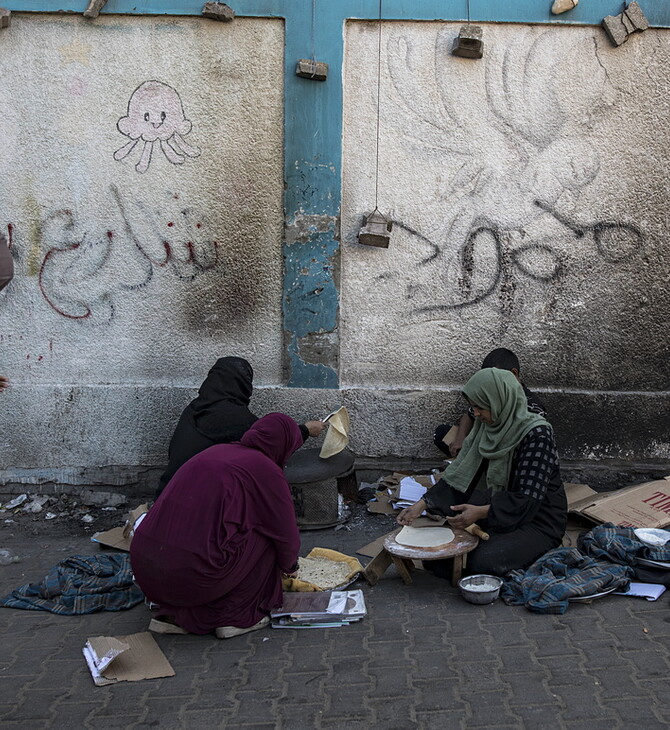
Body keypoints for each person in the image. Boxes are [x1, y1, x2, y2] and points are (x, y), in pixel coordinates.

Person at [131, 413, 305, 638]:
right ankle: (236, 619)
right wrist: (290, 568)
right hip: (192, 577)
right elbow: (287, 537)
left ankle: (173, 617)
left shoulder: (216, 451)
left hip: (145, 572)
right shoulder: (266, 470)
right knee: (267, 540)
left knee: (219, 540)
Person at [400, 368, 567, 577]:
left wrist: (481, 512)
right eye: (473, 407)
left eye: (481, 407)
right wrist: (422, 504)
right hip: (500, 510)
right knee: (439, 559)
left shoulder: (537, 434)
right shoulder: (488, 427)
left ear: (500, 402)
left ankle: (537, 550)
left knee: (480, 561)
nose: (476, 413)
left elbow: (528, 499)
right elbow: (463, 475)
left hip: (538, 521)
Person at [156, 356, 325, 497]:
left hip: (168, 492)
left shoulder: (196, 407)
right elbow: (272, 439)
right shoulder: (229, 416)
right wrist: (306, 430)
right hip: (193, 501)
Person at [434, 347, 547, 458]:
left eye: (496, 378)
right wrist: (461, 440)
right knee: (442, 433)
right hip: (481, 439)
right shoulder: (490, 394)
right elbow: (469, 415)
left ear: (513, 373)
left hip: (502, 447)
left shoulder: (533, 408)